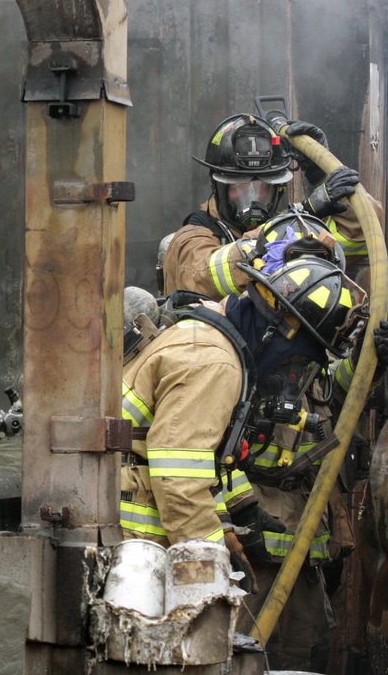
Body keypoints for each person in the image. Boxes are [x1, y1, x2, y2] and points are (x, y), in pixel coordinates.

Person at [119, 246, 366, 668]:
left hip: (142, 543)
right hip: (137, 549)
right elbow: (178, 479)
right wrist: (214, 572)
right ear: (278, 329)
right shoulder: (215, 361)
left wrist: (244, 512)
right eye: (299, 358)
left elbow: (203, 457)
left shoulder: (213, 343)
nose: (294, 373)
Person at [159, 113, 364, 298]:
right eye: (240, 186)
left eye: (262, 187)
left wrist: (321, 174)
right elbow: (201, 276)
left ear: (277, 189)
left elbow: (359, 235)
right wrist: (298, 216)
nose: (252, 197)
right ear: (218, 187)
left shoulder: (293, 228)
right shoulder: (191, 236)